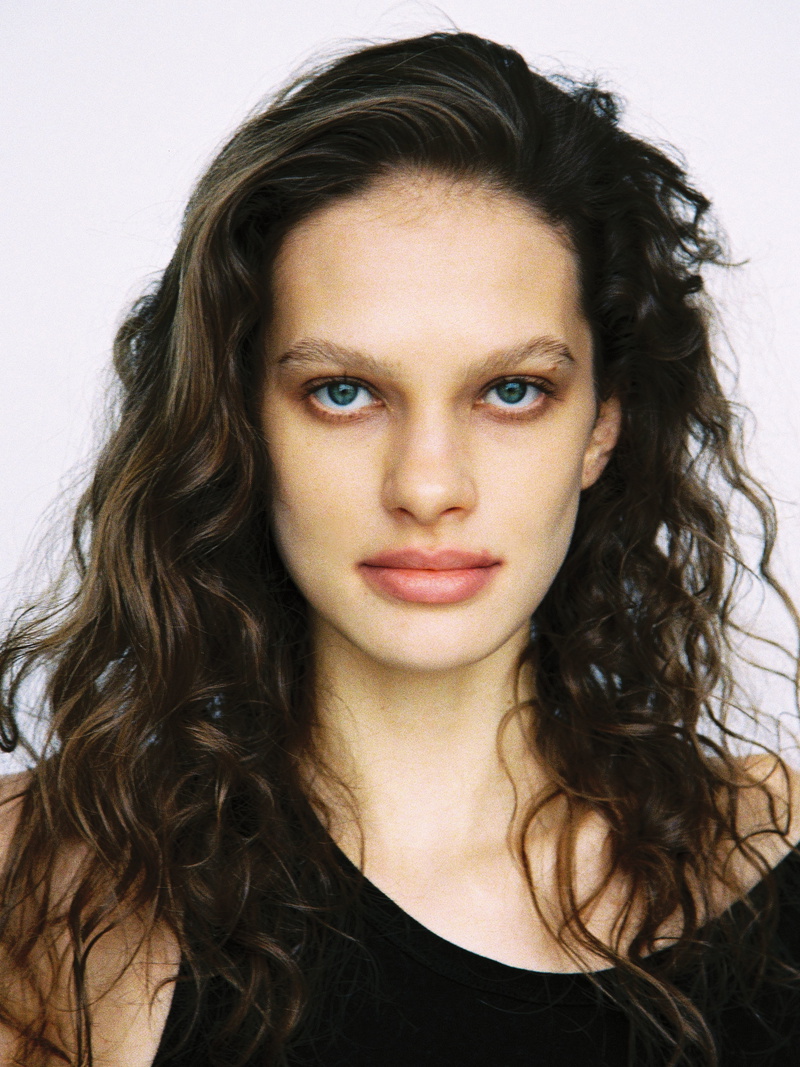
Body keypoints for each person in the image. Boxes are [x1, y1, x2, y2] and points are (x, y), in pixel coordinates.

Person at [0, 29, 798, 1067]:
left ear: (602, 424)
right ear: (241, 420)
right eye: (343, 392)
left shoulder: (773, 851)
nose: (426, 486)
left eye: (511, 390)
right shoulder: (45, 888)